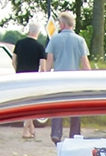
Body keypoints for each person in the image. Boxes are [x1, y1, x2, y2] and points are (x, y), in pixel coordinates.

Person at [42, 11, 90, 144]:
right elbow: (85, 63)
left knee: (58, 106)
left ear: (62, 24)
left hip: (59, 79)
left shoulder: (54, 39)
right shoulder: (80, 40)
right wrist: (90, 78)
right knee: (75, 107)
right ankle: (75, 134)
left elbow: (49, 61)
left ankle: (56, 133)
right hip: (75, 80)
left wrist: (46, 75)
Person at [12, 18, 45, 140]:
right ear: (38, 32)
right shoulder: (39, 47)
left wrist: (17, 71)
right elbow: (43, 66)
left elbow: (13, 60)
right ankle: (25, 130)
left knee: (24, 103)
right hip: (33, 78)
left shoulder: (19, 43)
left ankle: (31, 128)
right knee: (30, 105)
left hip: (20, 76)